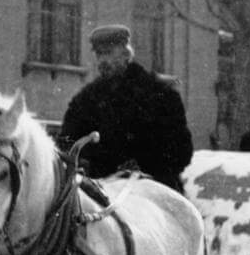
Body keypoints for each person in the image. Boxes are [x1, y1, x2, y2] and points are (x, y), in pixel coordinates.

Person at [58, 23, 193, 191]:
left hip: (154, 190)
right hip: (103, 191)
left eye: (108, 53)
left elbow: (182, 151)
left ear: (126, 53)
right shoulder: (86, 100)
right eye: (99, 54)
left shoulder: (160, 93)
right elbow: (67, 143)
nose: (102, 60)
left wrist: (143, 167)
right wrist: (83, 161)